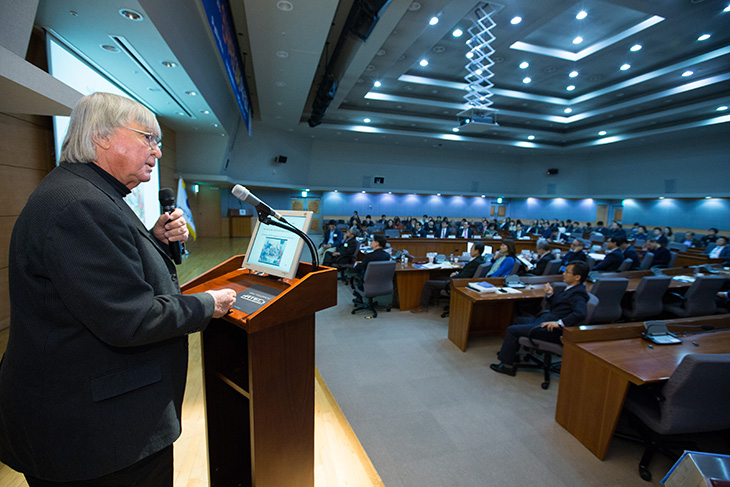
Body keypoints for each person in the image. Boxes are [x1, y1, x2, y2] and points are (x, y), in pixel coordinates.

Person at [0, 93, 238, 486]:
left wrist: (154, 241)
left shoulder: (84, 192)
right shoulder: (80, 205)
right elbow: (130, 318)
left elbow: (98, 276)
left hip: (86, 423)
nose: (158, 152)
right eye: (148, 138)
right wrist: (208, 304)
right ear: (102, 137)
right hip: (97, 437)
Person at [490, 261, 590, 376]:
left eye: (567, 272)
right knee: (519, 320)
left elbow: (581, 313)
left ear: (577, 277)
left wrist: (559, 323)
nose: (563, 274)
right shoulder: (571, 288)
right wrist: (551, 295)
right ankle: (511, 353)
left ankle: (507, 366)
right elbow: (561, 307)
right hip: (546, 320)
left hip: (551, 329)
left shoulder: (578, 294)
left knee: (512, 330)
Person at [411, 242, 486, 312]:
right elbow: (466, 273)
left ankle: (423, 307)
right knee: (438, 277)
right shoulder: (480, 260)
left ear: (477, 251)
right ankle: (435, 302)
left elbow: (463, 276)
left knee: (428, 283)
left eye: (472, 249)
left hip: (457, 283)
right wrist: (457, 273)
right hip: (460, 280)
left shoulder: (475, 262)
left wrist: (454, 276)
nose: (470, 250)